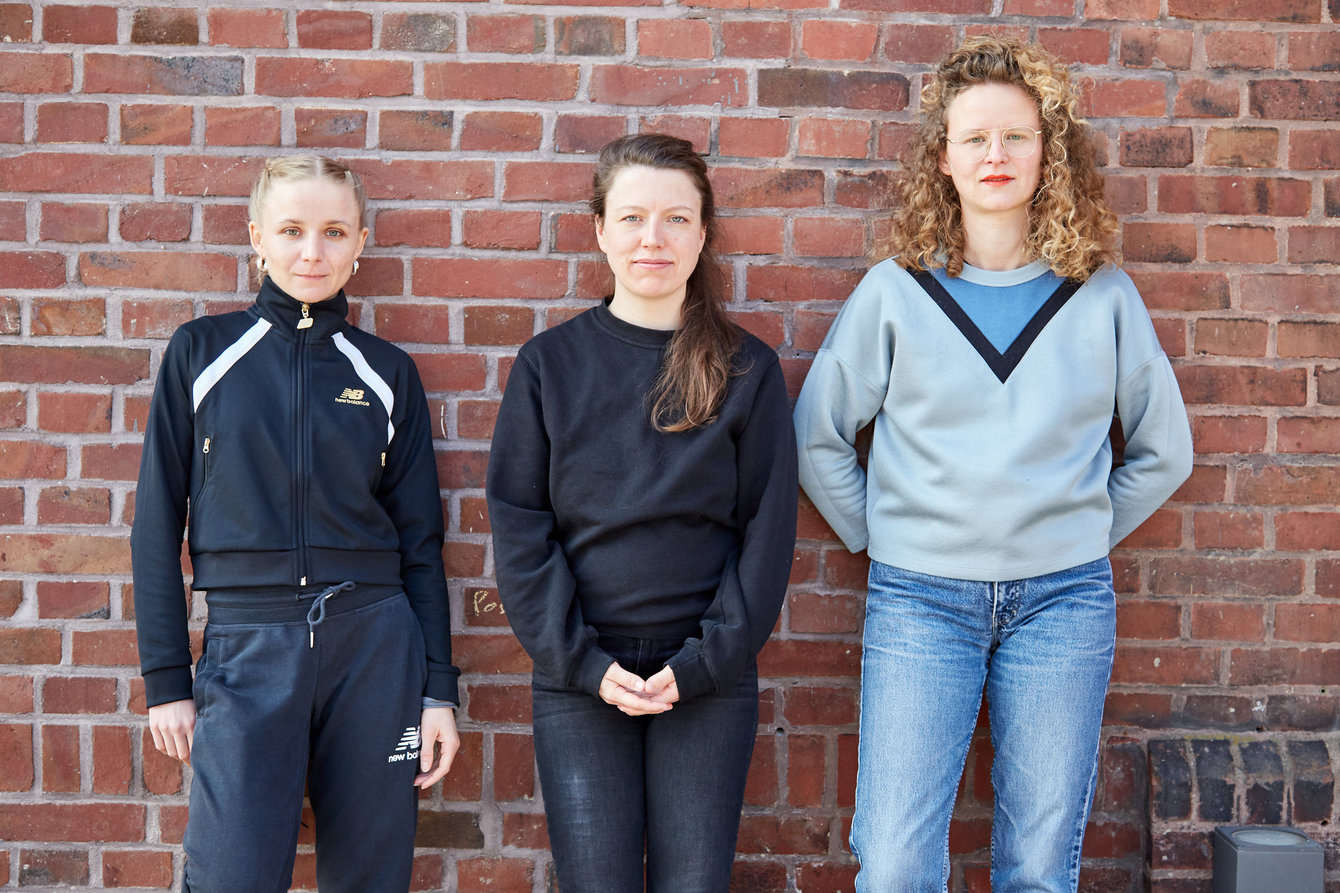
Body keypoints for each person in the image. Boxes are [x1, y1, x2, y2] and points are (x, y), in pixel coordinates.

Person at [793, 36, 1194, 893]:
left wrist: (1075, 528)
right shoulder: (896, 291)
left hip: (1063, 602)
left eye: (1016, 136)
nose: (996, 156)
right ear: (943, 159)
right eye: (974, 138)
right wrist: (878, 534)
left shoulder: (1102, 294)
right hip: (919, 599)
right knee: (897, 863)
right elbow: (817, 435)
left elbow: (1166, 450)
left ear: (1049, 152)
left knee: (1040, 867)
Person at [131, 154, 459, 892]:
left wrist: (438, 689)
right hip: (248, 648)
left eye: (334, 231)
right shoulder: (202, 354)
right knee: (229, 876)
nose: (313, 251)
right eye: (292, 230)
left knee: (371, 878)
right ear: (257, 237)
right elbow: (156, 527)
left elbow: (420, 545)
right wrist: (165, 679)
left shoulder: (386, 371)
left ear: (361, 243)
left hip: (375, 647)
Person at [485, 133, 798, 893]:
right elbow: (522, 530)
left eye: (674, 219)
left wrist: (699, 665)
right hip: (580, 678)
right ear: (599, 230)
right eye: (630, 218)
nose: (651, 238)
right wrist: (587, 665)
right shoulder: (548, 366)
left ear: (702, 233)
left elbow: (767, 534)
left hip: (708, 678)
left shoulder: (747, 369)